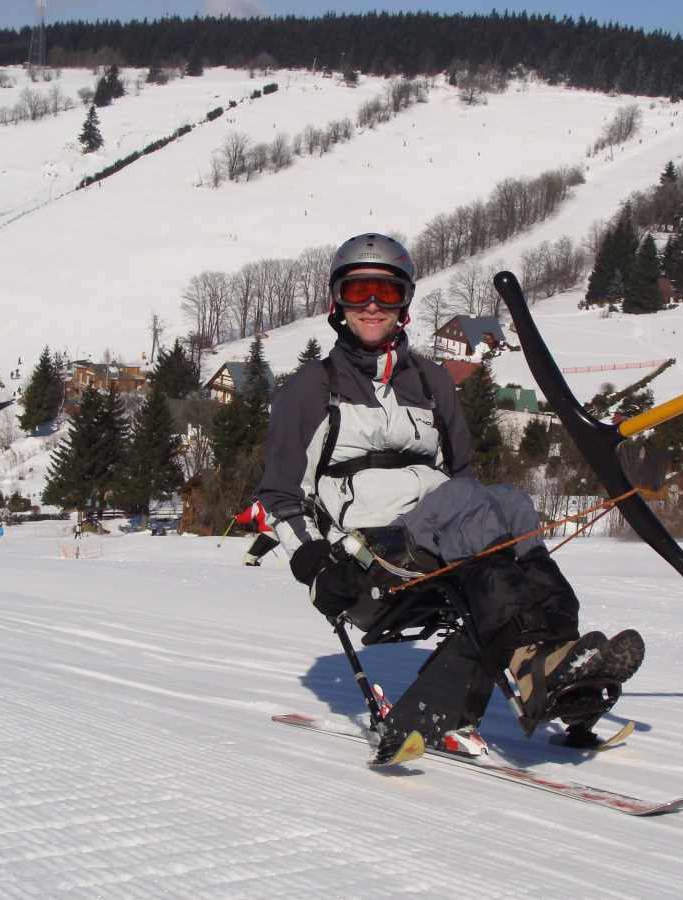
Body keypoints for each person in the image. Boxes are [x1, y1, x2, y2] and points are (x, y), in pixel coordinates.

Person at [256, 233, 643, 752]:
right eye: (359, 292)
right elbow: (280, 493)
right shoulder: (310, 389)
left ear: (405, 304)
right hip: (371, 549)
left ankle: (559, 655)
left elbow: (461, 471)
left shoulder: (432, 382)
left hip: (439, 529)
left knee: (510, 502)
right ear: (337, 301)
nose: (372, 306)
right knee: (472, 501)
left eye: (386, 294)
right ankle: (531, 663)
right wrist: (312, 562)